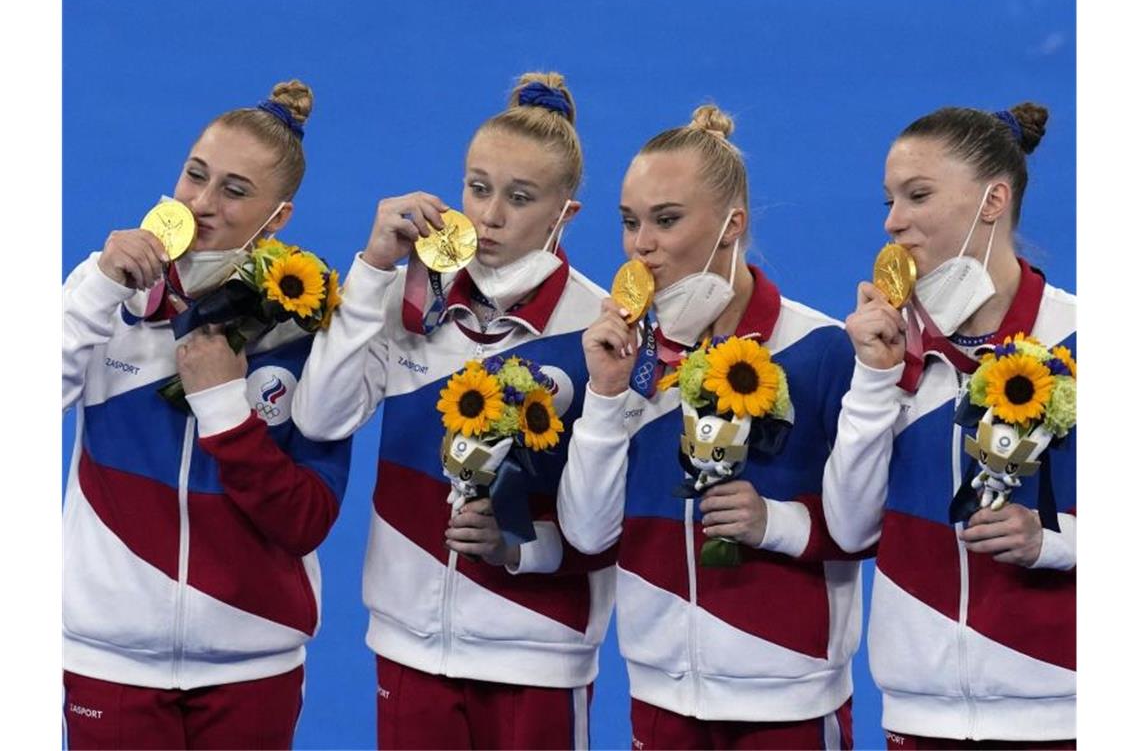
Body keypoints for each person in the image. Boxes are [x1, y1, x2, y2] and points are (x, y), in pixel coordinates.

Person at [292, 72, 615, 750]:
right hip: (408, 645)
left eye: (520, 198)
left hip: (538, 651)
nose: (490, 215)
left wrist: (519, 548)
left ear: (566, 214)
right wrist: (374, 267)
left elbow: (613, 520)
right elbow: (321, 418)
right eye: (478, 187)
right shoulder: (410, 300)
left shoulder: (599, 328)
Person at [558, 104, 864, 750]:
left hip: (789, 697)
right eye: (630, 222)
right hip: (661, 696)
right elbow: (588, 536)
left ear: (733, 225)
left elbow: (870, 525)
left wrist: (773, 524)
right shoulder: (624, 361)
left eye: (666, 220)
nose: (642, 244)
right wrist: (608, 400)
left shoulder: (819, 351)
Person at [61, 79, 351, 749]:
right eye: (196, 175)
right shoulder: (104, 297)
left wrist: (225, 404)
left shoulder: (303, 324)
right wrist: (98, 287)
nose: (202, 203)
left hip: (255, 657)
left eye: (235, 190)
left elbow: (306, 517)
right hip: (112, 657)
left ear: (276, 218)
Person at [821, 103, 1075, 749]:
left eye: (918, 195)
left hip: (1063, 715)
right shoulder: (889, 349)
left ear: (994, 199)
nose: (892, 221)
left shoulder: (1083, 339)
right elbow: (849, 529)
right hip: (918, 720)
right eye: (889, 199)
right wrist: (875, 378)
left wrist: (1052, 542)